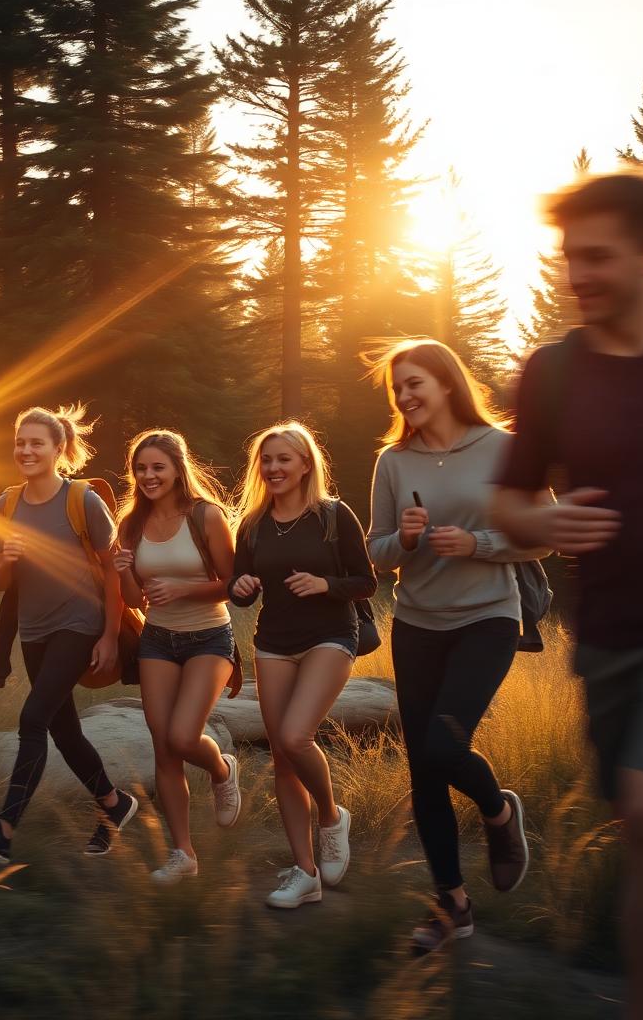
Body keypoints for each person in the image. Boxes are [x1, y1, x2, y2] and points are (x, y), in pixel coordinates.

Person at [490, 170, 643, 1020]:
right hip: (612, 630)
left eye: (598, 258)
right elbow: (510, 500)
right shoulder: (553, 372)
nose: (577, 275)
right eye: (568, 258)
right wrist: (545, 525)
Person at [366, 338, 545, 952]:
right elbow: (376, 551)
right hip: (417, 623)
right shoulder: (393, 462)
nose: (405, 396)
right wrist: (405, 541)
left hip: (487, 619)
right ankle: (452, 906)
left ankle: (499, 813)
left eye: (414, 383)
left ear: (447, 383)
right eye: (398, 389)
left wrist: (481, 544)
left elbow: (540, 535)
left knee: (443, 745)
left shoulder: (504, 448)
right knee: (424, 768)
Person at [0, 405, 138, 864]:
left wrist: (110, 636)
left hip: (79, 624)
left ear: (58, 449)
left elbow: (112, 573)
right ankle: (115, 805)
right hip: (34, 633)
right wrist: (7, 559)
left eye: (37, 443)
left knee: (33, 719)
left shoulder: (82, 500)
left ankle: (3, 829)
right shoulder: (6, 504)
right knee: (64, 730)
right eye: (21, 442)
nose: (26, 450)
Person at [229, 422, 376, 909]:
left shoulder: (334, 515)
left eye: (284, 459)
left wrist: (326, 585)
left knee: (296, 737)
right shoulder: (253, 524)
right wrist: (243, 587)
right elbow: (237, 584)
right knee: (282, 756)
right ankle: (305, 872)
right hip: (273, 642)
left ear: (305, 463)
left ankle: (332, 818)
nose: (273, 468)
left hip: (330, 636)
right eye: (267, 460)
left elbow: (365, 581)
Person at [113, 430, 242, 886]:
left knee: (185, 737)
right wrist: (124, 572)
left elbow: (233, 583)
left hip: (209, 636)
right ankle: (183, 853)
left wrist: (184, 588)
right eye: (141, 469)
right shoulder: (130, 524)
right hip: (157, 640)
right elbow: (133, 599)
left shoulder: (206, 516)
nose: (149, 476)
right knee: (163, 746)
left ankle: (222, 768)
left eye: (157, 468)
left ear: (177, 469)